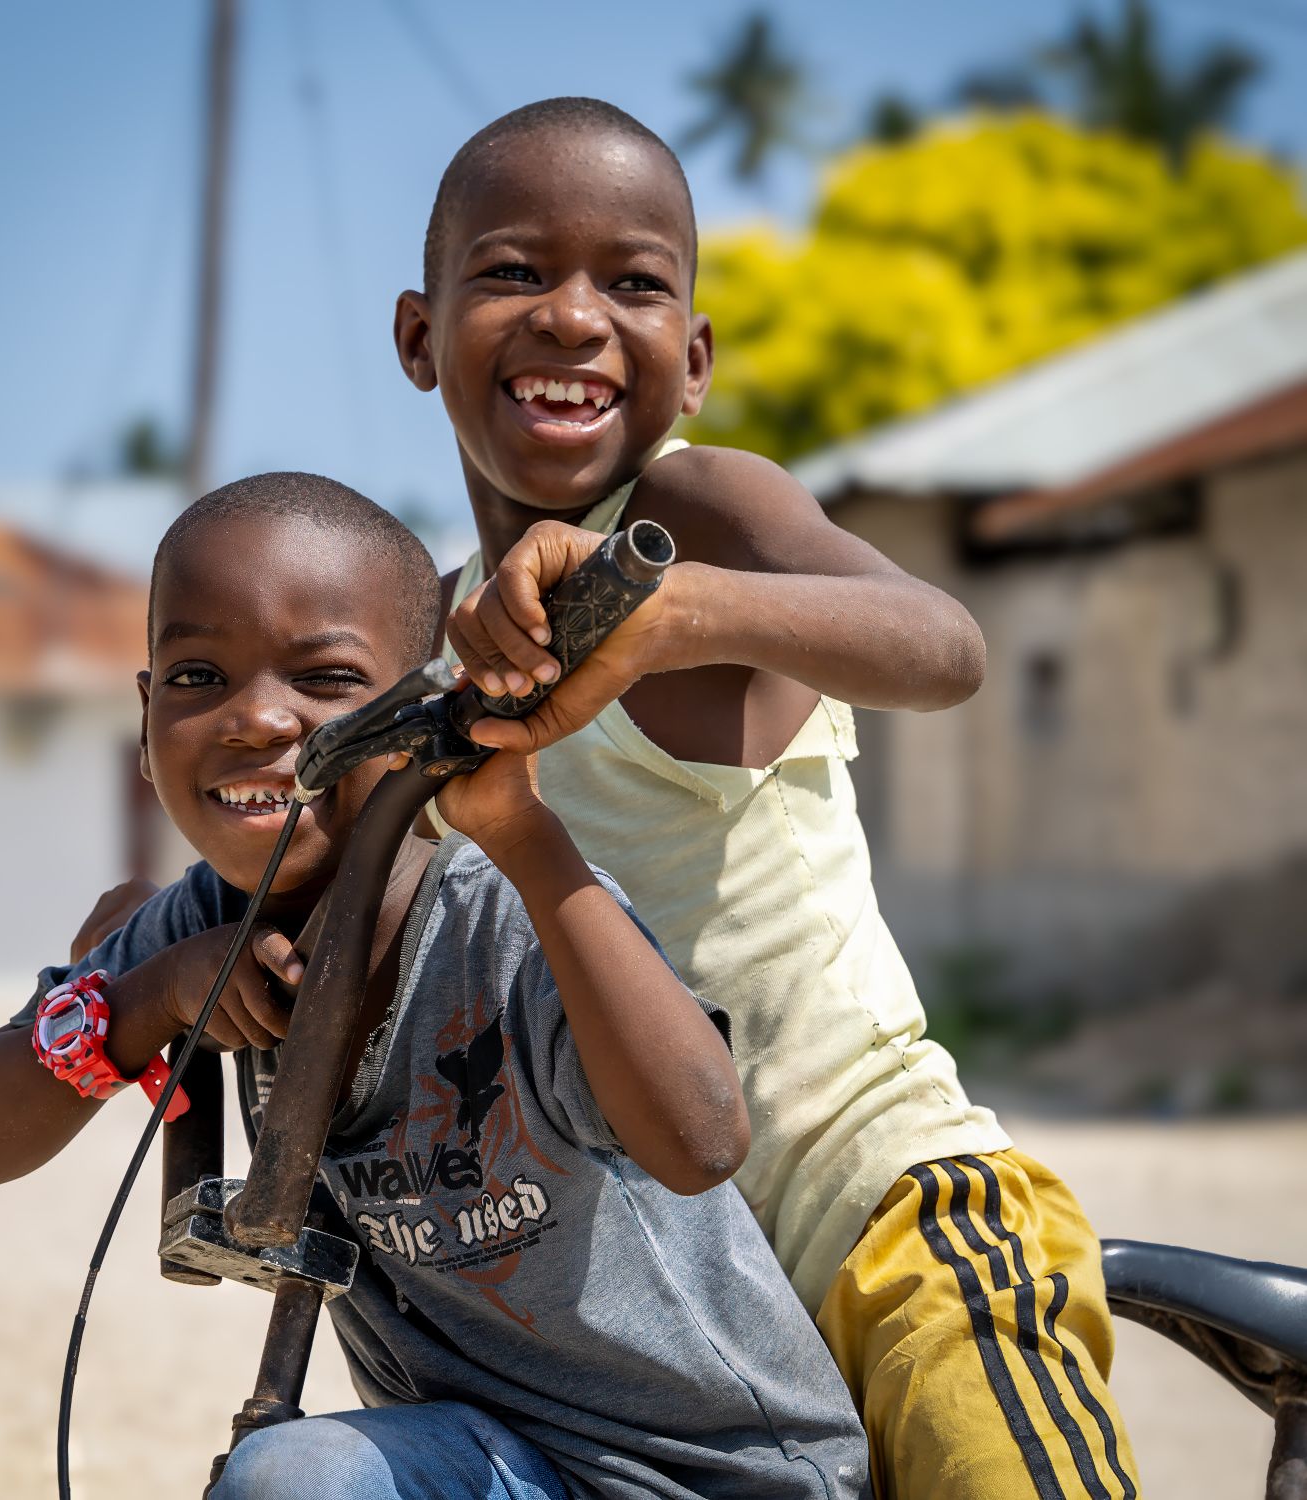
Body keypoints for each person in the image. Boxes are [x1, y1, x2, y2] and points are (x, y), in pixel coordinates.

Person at [393, 98, 1140, 1499]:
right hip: (655, 1340)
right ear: (419, 338)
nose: (571, 316)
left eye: (634, 281)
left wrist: (678, 613)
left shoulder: (705, 519)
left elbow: (946, 648)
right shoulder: (429, 657)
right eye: (510, 272)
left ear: (696, 359)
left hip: (891, 1222)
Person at [0, 473, 870, 1500]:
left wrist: (525, 834)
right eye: (197, 677)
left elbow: (702, 1139)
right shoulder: (194, 930)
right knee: (292, 1478)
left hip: (721, 1474)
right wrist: (146, 1002)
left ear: (427, 702)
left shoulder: (499, 913)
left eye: (324, 680)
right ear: (146, 722)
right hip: (486, 1466)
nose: (257, 719)